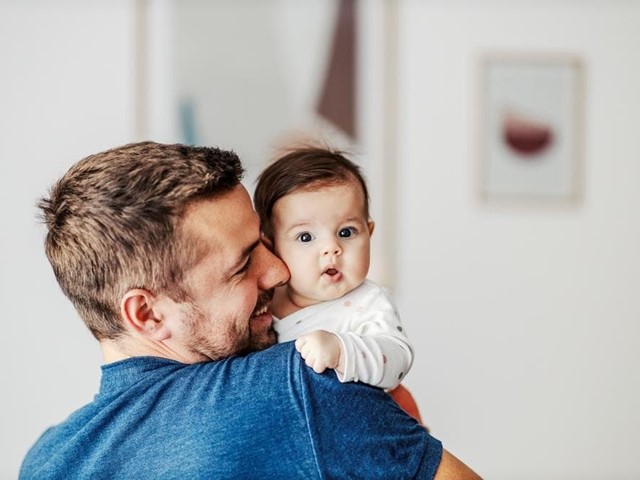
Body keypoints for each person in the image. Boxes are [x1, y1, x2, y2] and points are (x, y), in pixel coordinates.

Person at [20, 141, 481, 479]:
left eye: (266, 243)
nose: (279, 271)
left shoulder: (45, 462)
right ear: (147, 314)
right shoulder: (302, 384)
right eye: (242, 265)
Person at [254, 146, 422, 422]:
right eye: (306, 237)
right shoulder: (265, 301)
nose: (331, 248)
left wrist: (341, 349)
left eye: (346, 232)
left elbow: (397, 359)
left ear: (369, 233)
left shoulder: (367, 301)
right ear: (271, 248)